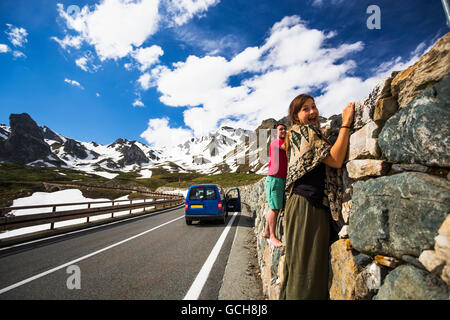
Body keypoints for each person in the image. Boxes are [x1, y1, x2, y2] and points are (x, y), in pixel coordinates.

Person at [279, 94, 354, 300]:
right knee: (307, 273)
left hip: (299, 205)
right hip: (308, 207)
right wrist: (346, 123)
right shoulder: (307, 133)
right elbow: (336, 160)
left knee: (297, 269)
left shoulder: (294, 136)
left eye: (314, 106)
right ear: (296, 116)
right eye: (305, 109)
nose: (313, 112)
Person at [263, 122, 287, 248]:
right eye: (280, 129)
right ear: (275, 132)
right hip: (275, 179)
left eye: (284, 129)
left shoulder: (280, 142)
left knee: (274, 206)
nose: (283, 131)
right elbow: (288, 149)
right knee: (275, 208)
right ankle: (272, 236)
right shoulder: (276, 142)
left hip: (279, 178)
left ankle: (267, 231)